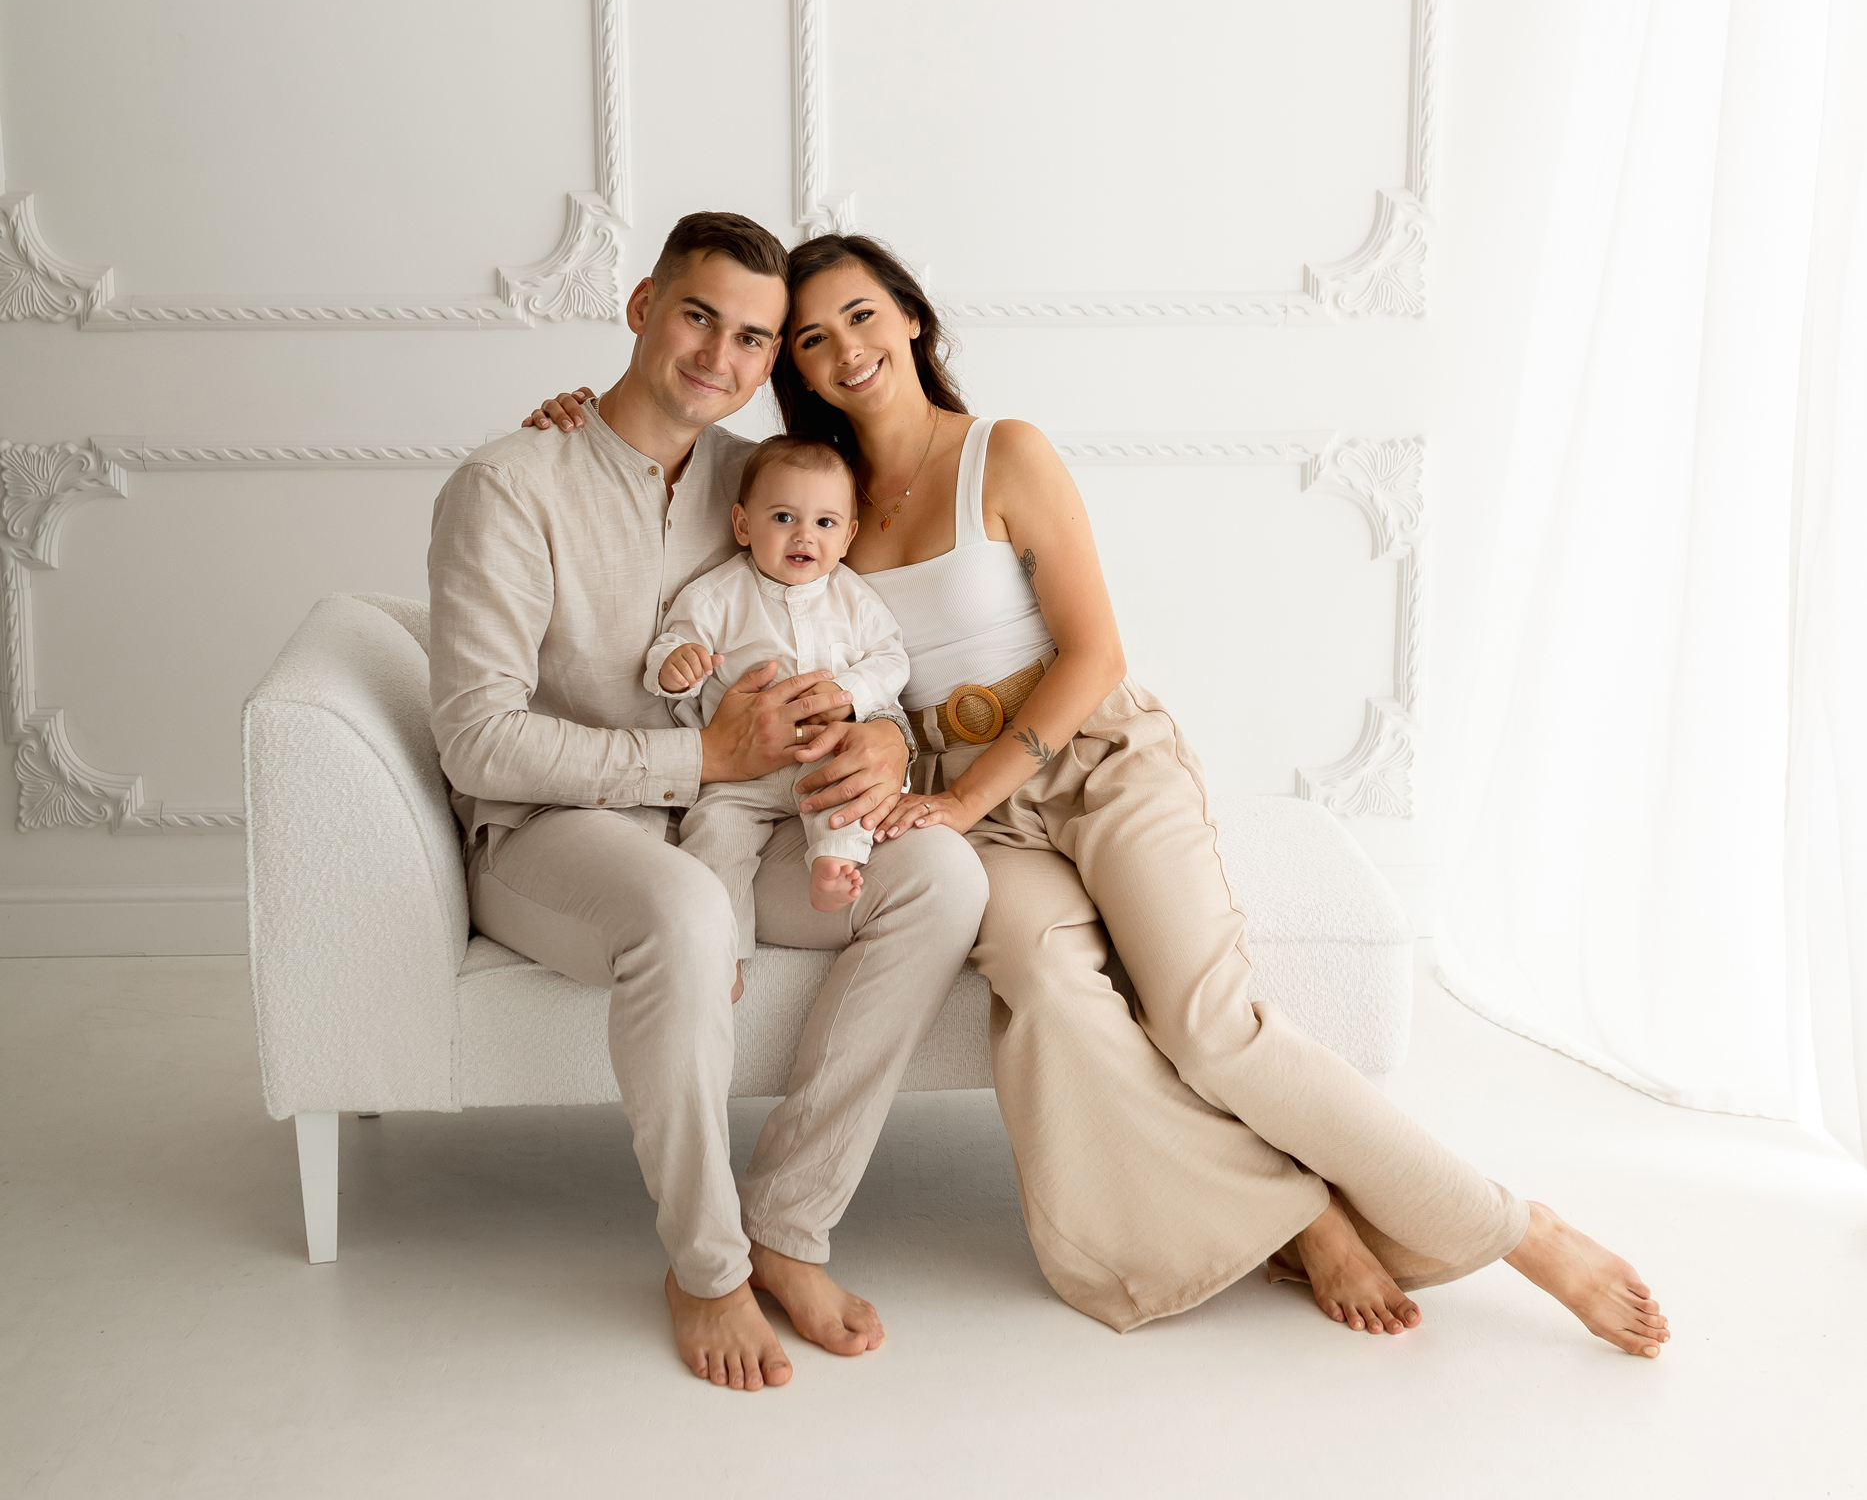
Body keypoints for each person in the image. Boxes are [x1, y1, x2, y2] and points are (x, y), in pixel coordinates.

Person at [528, 231, 1670, 1360]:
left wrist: (966, 798)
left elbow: (1094, 654)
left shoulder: (1003, 453)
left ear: (911, 317)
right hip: (956, 797)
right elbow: (664, 463)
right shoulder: (801, 490)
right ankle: (1299, 1215)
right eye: (812, 339)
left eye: (862, 316)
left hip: (1090, 756)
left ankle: (1515, 1230)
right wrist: (573, 422)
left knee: (1207, 1026)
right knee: (1047, 990)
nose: (844, 350)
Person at [432, 211, 986, 1393]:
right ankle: (706, 1266)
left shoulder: (759, 479)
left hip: (741, 823)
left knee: (942, 875)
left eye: (752, 338)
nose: (719, 357)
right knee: (686, 908)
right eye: (697, 317)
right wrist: (701, 762)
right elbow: (476, 738)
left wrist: (880, 737)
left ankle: (789, 1224)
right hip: (554, 836)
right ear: (643, 306)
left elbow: (850, 641)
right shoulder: (511, 483)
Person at [649, 433, 909, 951]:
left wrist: (847, 692)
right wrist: (675, 666)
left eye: (825, 523)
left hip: (826, 757)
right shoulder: (717, 596)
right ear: (743, 525)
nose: (804, 536)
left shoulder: (854, 598)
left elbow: (892, 658)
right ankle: (722, 955)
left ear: (848, 536)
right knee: (714, 833)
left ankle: (833, 863)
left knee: (853, 794)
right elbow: (674, 644)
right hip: (742, 772)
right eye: (784, 517)